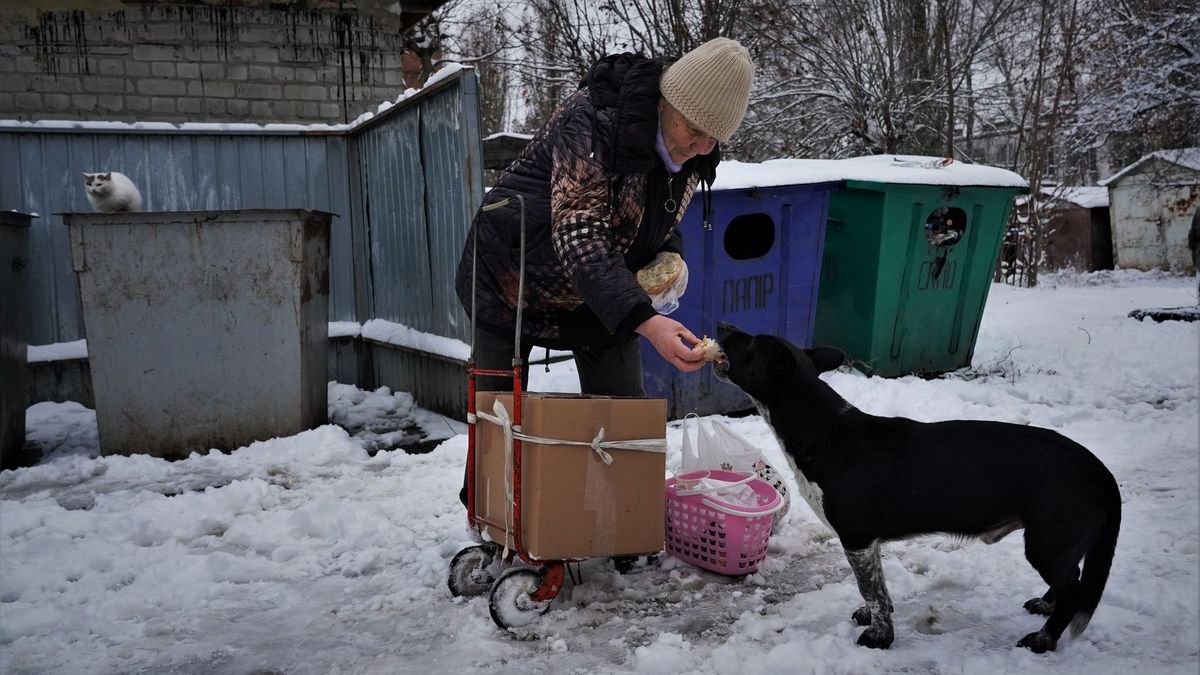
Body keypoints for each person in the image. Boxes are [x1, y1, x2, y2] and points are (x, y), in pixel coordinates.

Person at [455, 37, 754, 405]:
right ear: (665, 100)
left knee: (625, 425)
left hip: (597, 294)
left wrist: (668, 255)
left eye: (715, 138)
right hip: (509, 282)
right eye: (694, 130)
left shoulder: (695, 153)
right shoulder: (592, 120)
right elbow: (580, 232)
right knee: (497, 426)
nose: (701, 147)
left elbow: (654, 218)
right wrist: (647, 321)